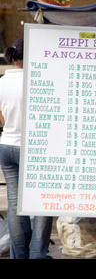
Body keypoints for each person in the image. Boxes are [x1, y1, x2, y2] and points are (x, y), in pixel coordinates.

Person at [0, 38, 53, 259]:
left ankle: (19, 255)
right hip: (34, 149)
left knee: (14, 204)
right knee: (42, 202)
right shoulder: (36, 80)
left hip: (7, 146)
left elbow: (1, 119)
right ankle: (37, 254)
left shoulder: (2, 81)